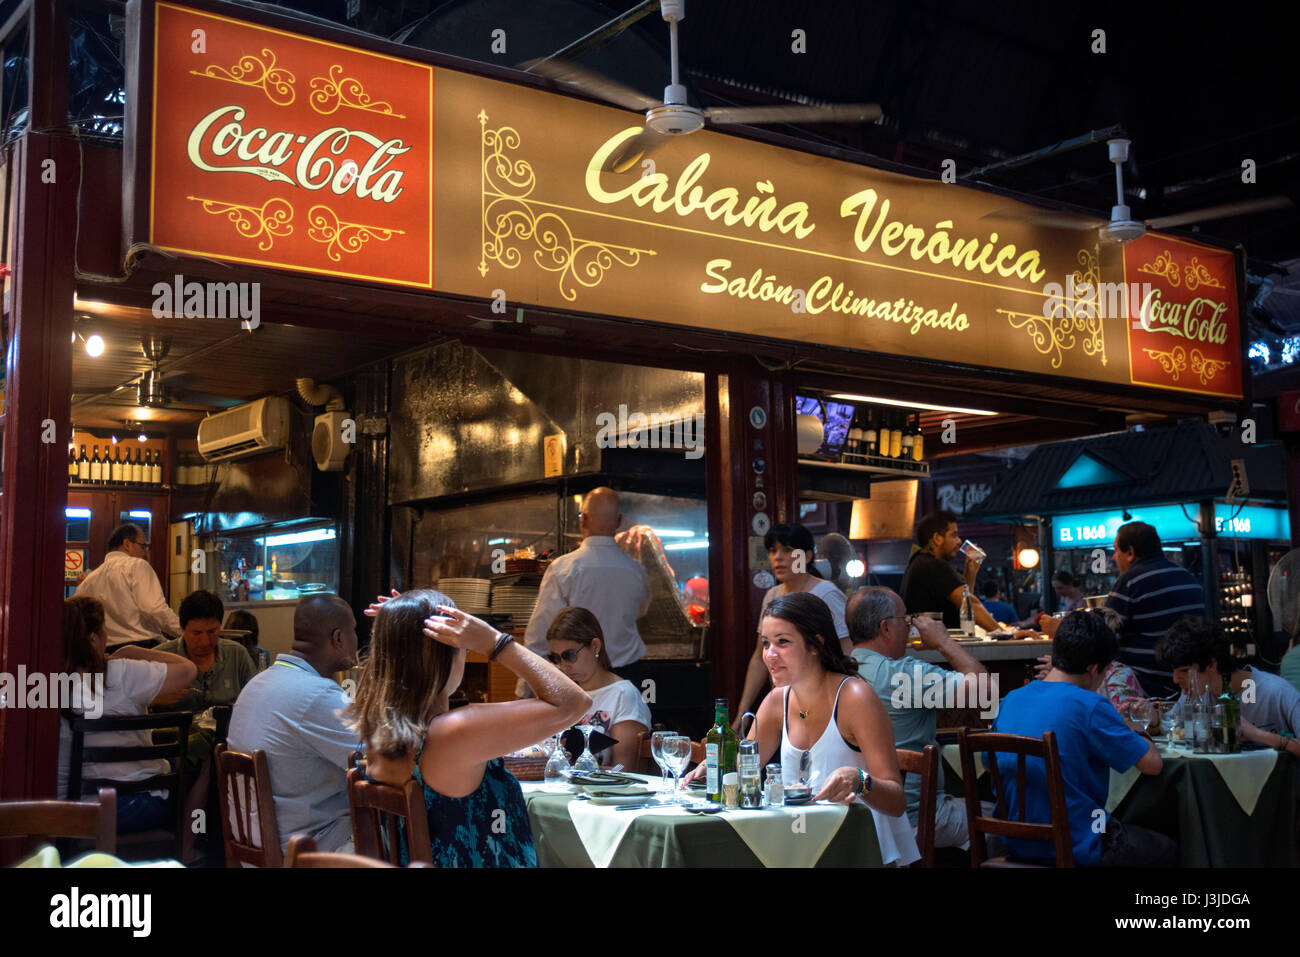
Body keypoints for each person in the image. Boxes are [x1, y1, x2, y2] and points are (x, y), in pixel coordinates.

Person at [346, 589, 590, 867]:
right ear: (442, 653)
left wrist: (403, 624)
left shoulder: (379, 732)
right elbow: (574, 702)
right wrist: (495, 642)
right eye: (462, 644)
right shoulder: (454, 732)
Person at [699, 591, 919, 866]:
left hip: (864, 851)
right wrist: (717, 767)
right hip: (803, 849)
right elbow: (744, 769)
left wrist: (859, 779)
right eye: (766, 643)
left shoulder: (855, 697)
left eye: (783, 642)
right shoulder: (778, 700)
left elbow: (897, 802)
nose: (770, 654)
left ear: (815, 645)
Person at [991, 610, 1175, 867]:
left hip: (1013, 843)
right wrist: (1137, 725)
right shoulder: (1090, 705)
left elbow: (992, 765)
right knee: (1166, 847)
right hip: (1078, 846)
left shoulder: (1011, 700)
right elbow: (1152, 765)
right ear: (1093, 669)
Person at [848, 586, 987, 850]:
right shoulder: (903, 675)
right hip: (916, 818)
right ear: (886, 628)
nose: (910, 627)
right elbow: (983, 690)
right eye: (905, 620)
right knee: (1003, 819)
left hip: (861, 820)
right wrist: (943, 642)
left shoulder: (841, 671)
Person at [227, 595, 361, 854]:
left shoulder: (257, 684)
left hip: (253, 847)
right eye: (354, 631)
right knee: (402, 827)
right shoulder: (317, 695)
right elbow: (376, 759)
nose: (357, 639)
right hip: (305, 849)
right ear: (338, 639)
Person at [58, 596, 197, 831]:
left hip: (79, 805)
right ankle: (187, 850)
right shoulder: (121, 672)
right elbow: (188, 670)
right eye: (103, 630)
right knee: (195, 767)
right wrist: (134, 651)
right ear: (93, 637)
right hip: (134, 804)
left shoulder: (51, 680)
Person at [523, 487, 650, 691]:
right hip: (629, 675)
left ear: (583, 520)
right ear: (618, 522)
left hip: (580, 678)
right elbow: (641, 612)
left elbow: (541, 633)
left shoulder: (562, 569)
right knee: (628, 721)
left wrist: (526, 688)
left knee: (585, 723)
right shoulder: (637, 570)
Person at [735, 524, 850, 726]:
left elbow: (848, 654)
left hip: (824, 707)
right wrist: (742, 714)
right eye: (772, 551)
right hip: (784, 705)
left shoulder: (826, 594)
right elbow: (759, 659)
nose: (777, 557)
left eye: (787, 550)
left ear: (806, 557)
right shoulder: (772, 595)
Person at [1155, 616, 1300, 757]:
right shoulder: (1193, 696)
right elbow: (1167, 729)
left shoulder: (1276, 691)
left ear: (1212, 664)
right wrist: (1151, 720)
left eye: (1185, 671)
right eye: (1173, 671)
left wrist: (1258, 735)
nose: (1175, 679)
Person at [1105, 521, 1204, 698]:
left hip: (1146, 686)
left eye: (1116, 550)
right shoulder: (1188, 578)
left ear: (1130, 552)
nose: (1114, 557)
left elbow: (1102, 635)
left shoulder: (1130, 581)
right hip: (1188, 684)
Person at [544, 606, 650, 770]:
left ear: (595, 646)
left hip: (607, 792)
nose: (564, 665)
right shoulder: (564, 695)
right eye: (556, 658)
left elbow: (624, 769)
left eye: (570, 655)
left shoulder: (623, 695)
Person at [75, 523, 181, 649]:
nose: (145, 553)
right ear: (127, 544)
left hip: (104, 654)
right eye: (143, 546)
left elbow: (79, 622)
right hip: (142, 649)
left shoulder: (88, 582)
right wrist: (185, 631)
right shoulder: (137, 565)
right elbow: (154, 609)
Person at [155, 590, 255, 714]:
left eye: (212, 632)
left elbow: (257, 699)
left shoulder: (236, 654)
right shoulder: (160, 658)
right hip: (175, 731)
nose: (205, 642)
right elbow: (128, 702)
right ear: (182, 627)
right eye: (196, 633)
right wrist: (154, 699)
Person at [899, 510, 999, 632]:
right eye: (954, 535)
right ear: (937, 539)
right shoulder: (934, 565)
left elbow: (965, 606)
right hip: (936, 648)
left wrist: (970, 572)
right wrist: (1003, 634)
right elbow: (971, 603)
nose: (959, 541)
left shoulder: (918, 562)